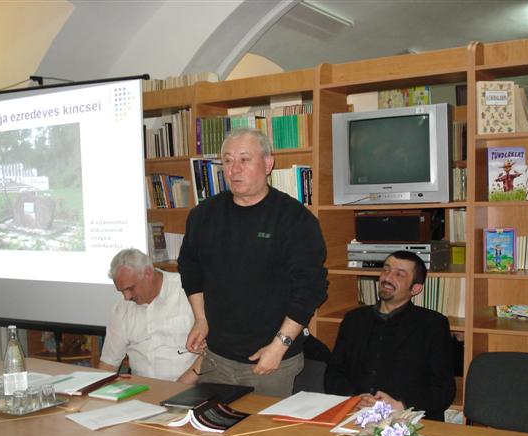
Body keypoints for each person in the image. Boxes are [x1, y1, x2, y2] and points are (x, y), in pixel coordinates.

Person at [177, 128, 327, 397]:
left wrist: (279, 347)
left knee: (259, 426)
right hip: (216, 359)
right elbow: (190, 269)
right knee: (211, 422)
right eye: (227, 160)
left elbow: (310, 290)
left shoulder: (295, 219)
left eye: (245, 160)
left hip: (270, 362)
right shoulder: (203, 215)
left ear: (268, 164)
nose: (234, 169)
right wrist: (200, 319)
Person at [324, 250, 456, 421]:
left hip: (408, 418)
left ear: (415, 288)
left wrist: (402, 405)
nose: (387, 277)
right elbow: (334, 373)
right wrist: (354, 398)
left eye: (399, 274)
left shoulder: (433, 324)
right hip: (354, 413)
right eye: (386, 270)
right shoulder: (354, 319)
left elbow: (444, 390)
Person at [99, 248, 198, 383]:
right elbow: (109, 363)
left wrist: (180, 386)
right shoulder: (122, 308)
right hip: (141, 389)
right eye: (122, 291)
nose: (126, 297)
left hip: (189, 386)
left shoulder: (188, 292)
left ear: (148, 273)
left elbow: (211, 352)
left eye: (130, 288)